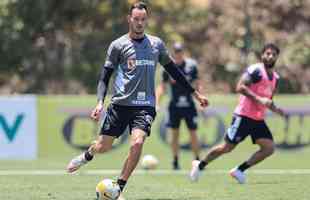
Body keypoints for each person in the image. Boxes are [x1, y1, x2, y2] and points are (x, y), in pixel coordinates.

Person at [66, 1, 209, 194]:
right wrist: (100, 102)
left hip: (145, 106)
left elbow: (174, 71)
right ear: (129, 19)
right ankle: (88, 155)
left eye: (143, 19)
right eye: (136, 19)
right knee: (103, 146)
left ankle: (119, 188)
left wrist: (196, 94)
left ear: (146, 20)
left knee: (138, 142)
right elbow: (104, 77)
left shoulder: (156, 44)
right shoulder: (117, 45)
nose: (140, 23)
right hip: (119, 104)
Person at [190, 43, 286, 184]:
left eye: (273, 54)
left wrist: (276, 110)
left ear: (277, 57)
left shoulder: (276, 78)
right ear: (262, 55)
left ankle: (239, 170)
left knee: (269, 148)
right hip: (244, 116)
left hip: (258, 119)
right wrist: (259, 99)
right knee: (227, 148)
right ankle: (200, 165)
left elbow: (268, 100)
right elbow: (240, 87)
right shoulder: (256, 70)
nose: (270, 56)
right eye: (268, 53)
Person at [156, 42, 202, 170]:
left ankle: (197, 160)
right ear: (173, 52)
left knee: (193, 133)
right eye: (176, 51)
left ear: (183, 52)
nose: (178, 54)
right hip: (174, 106)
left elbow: (197, 84)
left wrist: (200, 101)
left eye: (180, 51)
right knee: (175, 134)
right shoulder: (168, 67)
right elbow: (162, 87)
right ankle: (175, 161)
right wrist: (157, 103)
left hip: (189, 105)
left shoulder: (191, 66)